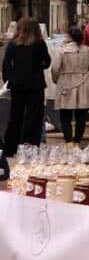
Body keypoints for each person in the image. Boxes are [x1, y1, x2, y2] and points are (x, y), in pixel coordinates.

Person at [2, 19, 51, 158]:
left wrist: (9, 80)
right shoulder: (39, 44)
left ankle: (10, 147)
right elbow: (47, 62)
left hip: (17, 84)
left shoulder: (12, 44)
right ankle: (30, 145)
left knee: (15, 116)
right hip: (35, 84)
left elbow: (6, 65)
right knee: (34, 116)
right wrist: (37, 68)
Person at [50, 30, 89, 143]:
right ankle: (77, 141)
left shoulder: (62, 50)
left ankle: (69, 143)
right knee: (81, 115)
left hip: (66, 83)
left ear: (69, 36)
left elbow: (55, 68)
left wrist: (57, 80)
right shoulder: (86, 50)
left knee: (65, 115)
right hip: (84, 82)